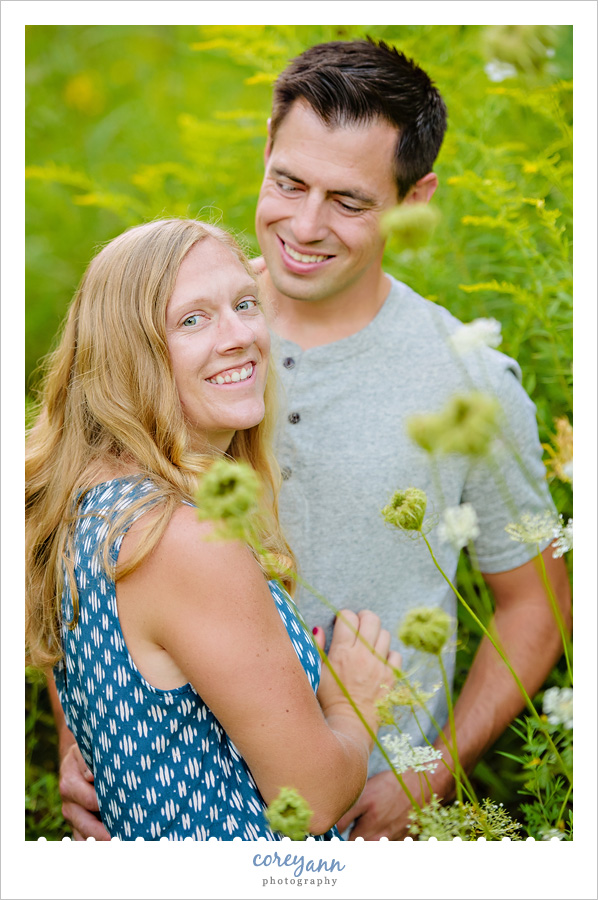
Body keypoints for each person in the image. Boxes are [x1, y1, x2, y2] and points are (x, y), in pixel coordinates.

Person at [48, 39, 571, 841]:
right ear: (264, 152)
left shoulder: (469, 383)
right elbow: (66, 521)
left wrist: (428, 772)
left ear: (414, 198)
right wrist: (83, 731)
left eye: (349, 201)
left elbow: (535, 605)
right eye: (287, 182)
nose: (304, 224)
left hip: (356, 827)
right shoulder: (177, 331)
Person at [26, 217, 401, 840]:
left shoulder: (81, 505)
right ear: (130, 351)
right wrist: (353, 698)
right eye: (192, 320)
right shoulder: (181, 539)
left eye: (245, 304)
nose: (240, 337)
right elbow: (308, 802)